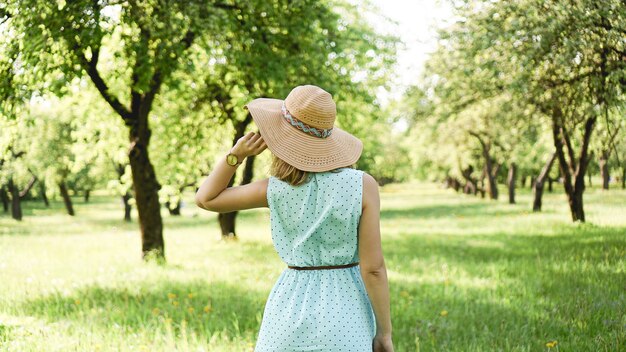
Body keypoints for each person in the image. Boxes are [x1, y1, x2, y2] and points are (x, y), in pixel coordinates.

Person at [195, 85, 393, 351]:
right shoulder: (362, 186)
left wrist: (237, 155)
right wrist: (384, 333)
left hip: (289, 309)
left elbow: (206, 198)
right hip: (346, 311)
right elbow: (374, 269)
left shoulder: (274, 188)